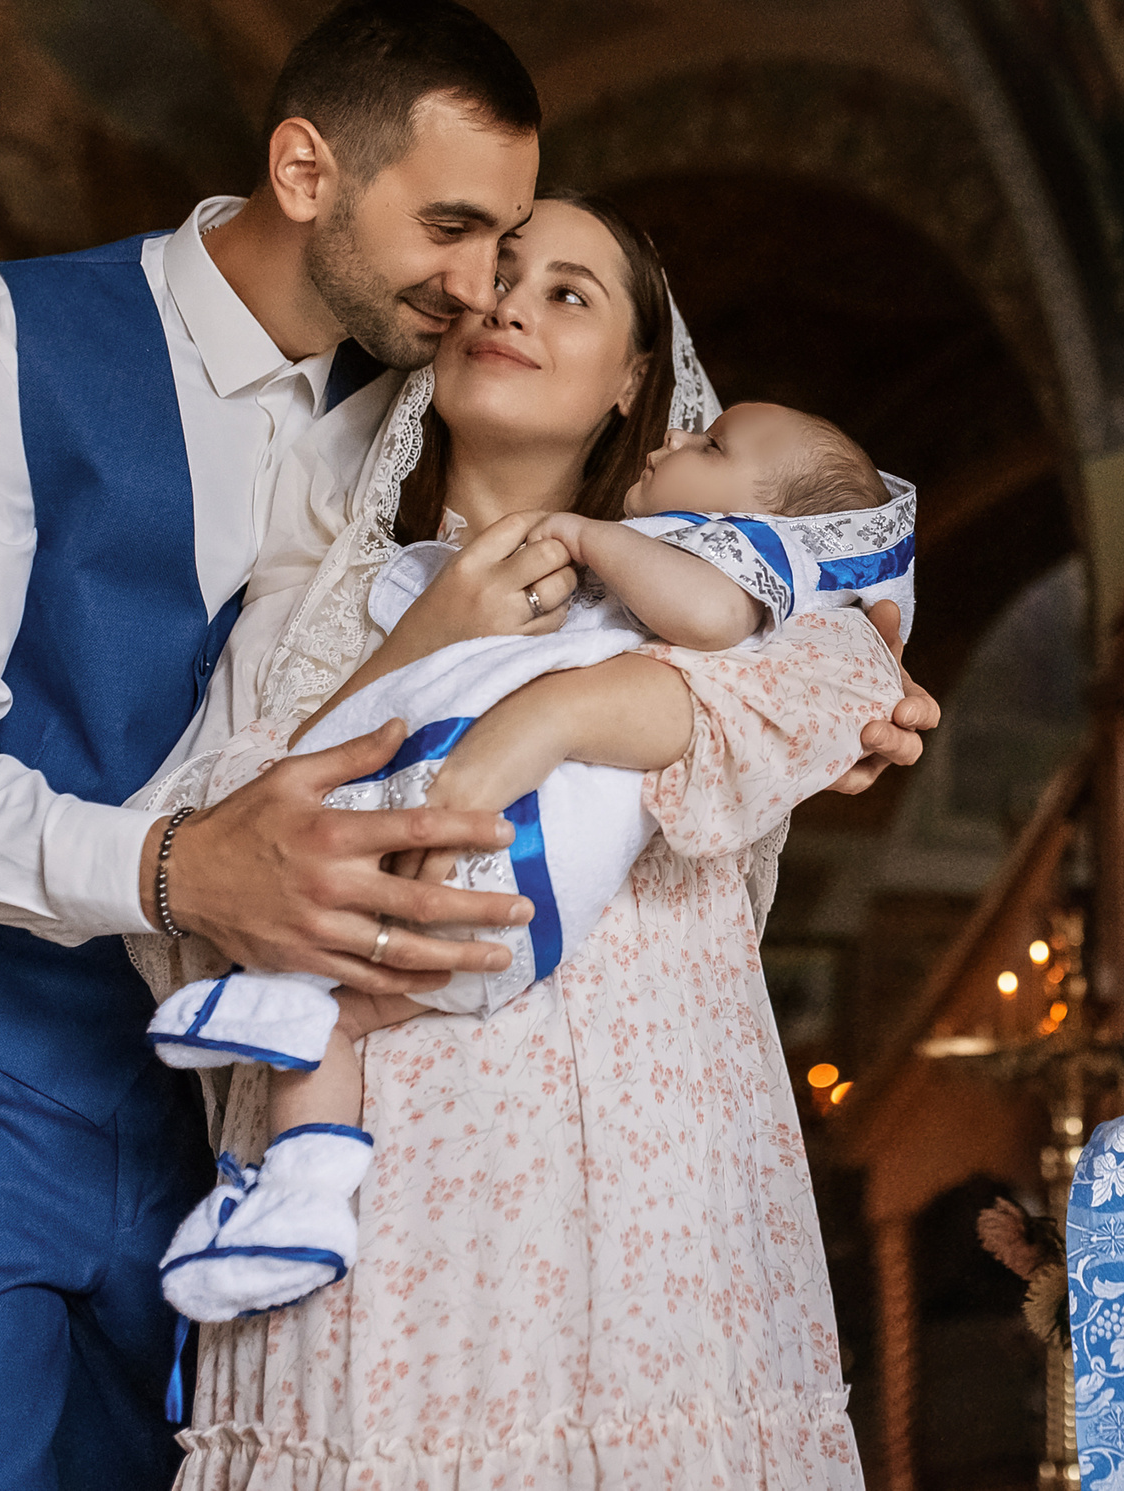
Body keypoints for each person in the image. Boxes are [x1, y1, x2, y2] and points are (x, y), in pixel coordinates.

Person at [0, 0, 931, 1491]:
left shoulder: (654, 554)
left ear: (641, 377)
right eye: (466, 239)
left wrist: (837, 694)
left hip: (383, 1163)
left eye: (534, 272)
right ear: (309, 173)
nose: (482, 293)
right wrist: (212, 842)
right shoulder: (60, 364)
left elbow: (821, 632)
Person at [134, 192, 893, 1486]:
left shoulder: (717, 595)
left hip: (662, 1207)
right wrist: (416, 647)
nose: (510, 306)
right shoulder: (308, 611)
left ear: (635, 381)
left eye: (567, 292)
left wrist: (560, 709)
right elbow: (206, 893)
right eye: (492, 276)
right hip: (395, 1217)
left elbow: (849, 693)